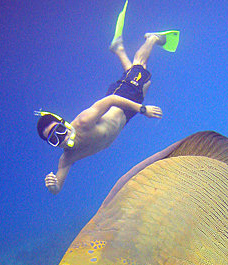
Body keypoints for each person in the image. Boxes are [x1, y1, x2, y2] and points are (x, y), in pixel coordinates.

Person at [35, 1, 179, 194]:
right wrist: (53, 185)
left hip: (122, 98)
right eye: (54, 139)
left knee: (141, 70)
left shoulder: (83, 121)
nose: (62, 137)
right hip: (125, 118)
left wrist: (142, 110)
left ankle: (152, 38)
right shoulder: (67, 157)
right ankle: (118, 48)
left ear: (65, 123)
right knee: (139, 79)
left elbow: (110, 100)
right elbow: (58, 187)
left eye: (59, 130)